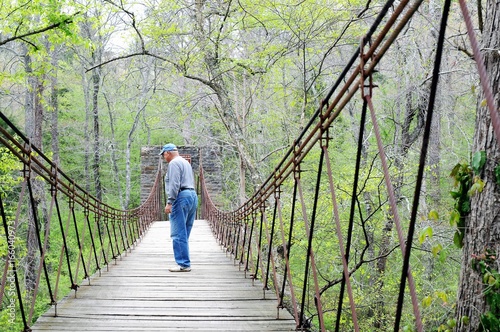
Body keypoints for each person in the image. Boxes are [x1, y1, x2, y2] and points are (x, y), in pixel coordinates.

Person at [159, 143, 198, 272]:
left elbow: (174, 183)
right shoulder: (185, 162)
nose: (164, 158)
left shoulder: (174, 163)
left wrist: (170, 202)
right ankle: (183, 259)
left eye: (164, 155)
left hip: (181, 197)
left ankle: (183, 264)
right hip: (192, 195)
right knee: (185, 231)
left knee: (178, 232)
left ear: (167, 153)